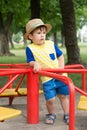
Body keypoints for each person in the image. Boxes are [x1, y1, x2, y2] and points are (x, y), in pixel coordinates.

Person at [24, 18, 69, 125]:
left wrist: (61, 69)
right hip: (47, 78)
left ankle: (67, 113)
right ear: (30, 36)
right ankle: (51, 114)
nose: (42, 35)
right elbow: (30, 61)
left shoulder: (50, 44)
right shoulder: (30, 48)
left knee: (63, 96)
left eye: (44, 33)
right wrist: (35, 63)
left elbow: (61, 56)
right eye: (39, 33)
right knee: (50, 99)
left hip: (60, 75)